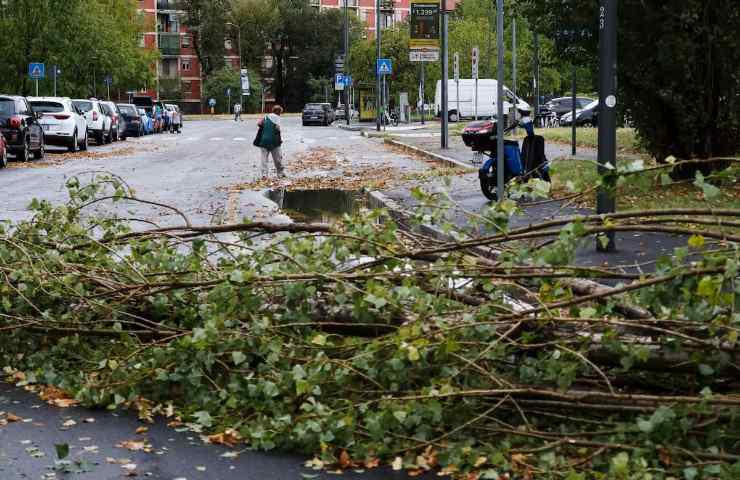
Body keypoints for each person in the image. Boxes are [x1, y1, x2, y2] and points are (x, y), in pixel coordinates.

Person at [254, 105, 285, 178]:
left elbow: (259, 124)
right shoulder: (277, 118)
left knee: (264, 158)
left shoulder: (266, 117)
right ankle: (280, 173)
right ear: (279, 112)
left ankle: (264, 174)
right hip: (274, 141)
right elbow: (277, 129)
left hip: (263, 141)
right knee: (278, 158)